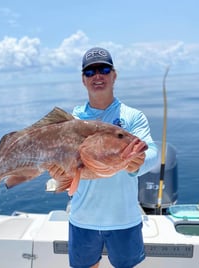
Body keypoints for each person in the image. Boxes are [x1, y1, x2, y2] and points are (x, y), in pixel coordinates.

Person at [68, 47, 159, 268]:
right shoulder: (75, 119)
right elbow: (66, 163)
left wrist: (138, 164)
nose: (97, 76)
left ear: (114, 75)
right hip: (83, 218)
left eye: (104, 69)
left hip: (124, 219)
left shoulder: (132, 116)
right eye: (90, 72)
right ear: (83, 79)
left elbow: (153, 152)